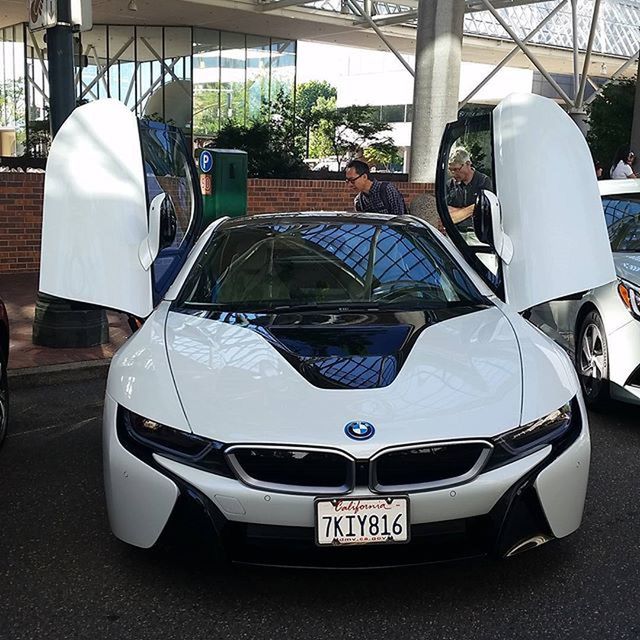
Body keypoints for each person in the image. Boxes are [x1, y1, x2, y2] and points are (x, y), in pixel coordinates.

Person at [446, 147, 493, 230]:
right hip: (455, 232)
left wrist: (458, 213)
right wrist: (471, 209)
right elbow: (447, 214)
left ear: (468, 164)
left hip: (477, 233)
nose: (453, 174)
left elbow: (484, 211)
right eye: (451, 170)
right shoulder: (450, 185)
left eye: (456, 169)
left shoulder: (483, 181)